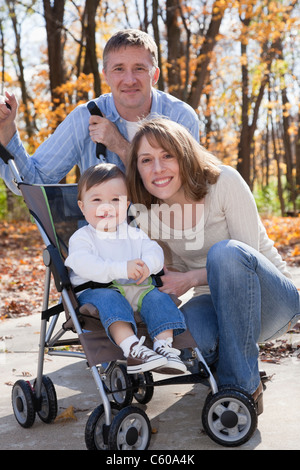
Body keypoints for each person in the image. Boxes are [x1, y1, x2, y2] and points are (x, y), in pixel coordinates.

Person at [126, 117, 300, 414]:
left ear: (184, 154)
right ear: (137, 169)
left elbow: (245, 259)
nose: (158, 168)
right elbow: (171, 276)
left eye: (167, 155)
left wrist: (191, 278)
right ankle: (225, 362)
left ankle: (242, 386)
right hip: (213, 302)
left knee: (226, 253)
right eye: (146, 160)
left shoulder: (224, 182)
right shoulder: (147, 215)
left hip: (271, 302)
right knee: (172, 339)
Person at [0, 29, 199, 194]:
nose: (129, 80)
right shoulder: (83, 119)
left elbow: (187, 191)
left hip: (165, 236)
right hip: (100, 239)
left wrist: (119, 145)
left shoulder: (180, 117)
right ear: (106, 76)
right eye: (119, 69)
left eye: (139, 68)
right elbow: (32, 183)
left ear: (154, 75)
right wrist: (7, 130)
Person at [65, 162, 187, 375]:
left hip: (136, 289)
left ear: (127, 204)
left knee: (158, 298)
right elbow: (85, 265)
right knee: (111, 299)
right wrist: (121, 268)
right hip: (97, 292)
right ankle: (133, 347)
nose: (107, 207)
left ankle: (164, 347)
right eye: (96, 200)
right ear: (82, 207)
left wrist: (148, 266)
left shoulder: (133, 233)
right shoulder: (82, 238)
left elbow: (155, 251)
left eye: (115, 200)